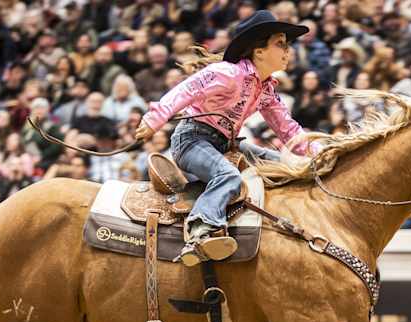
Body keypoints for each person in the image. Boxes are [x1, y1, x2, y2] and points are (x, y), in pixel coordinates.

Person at [135, 10, 320, 266]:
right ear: (259, 51)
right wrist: (154, 120)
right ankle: (201, 229)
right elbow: (187, 90)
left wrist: (321, 153)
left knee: (285, 166)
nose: (288, 50)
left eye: (287, 45)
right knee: (228, 176)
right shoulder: (228, 73)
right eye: (280, 44)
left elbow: (288, 129)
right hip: (192, 140)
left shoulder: (266, 89)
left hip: (226, 144)